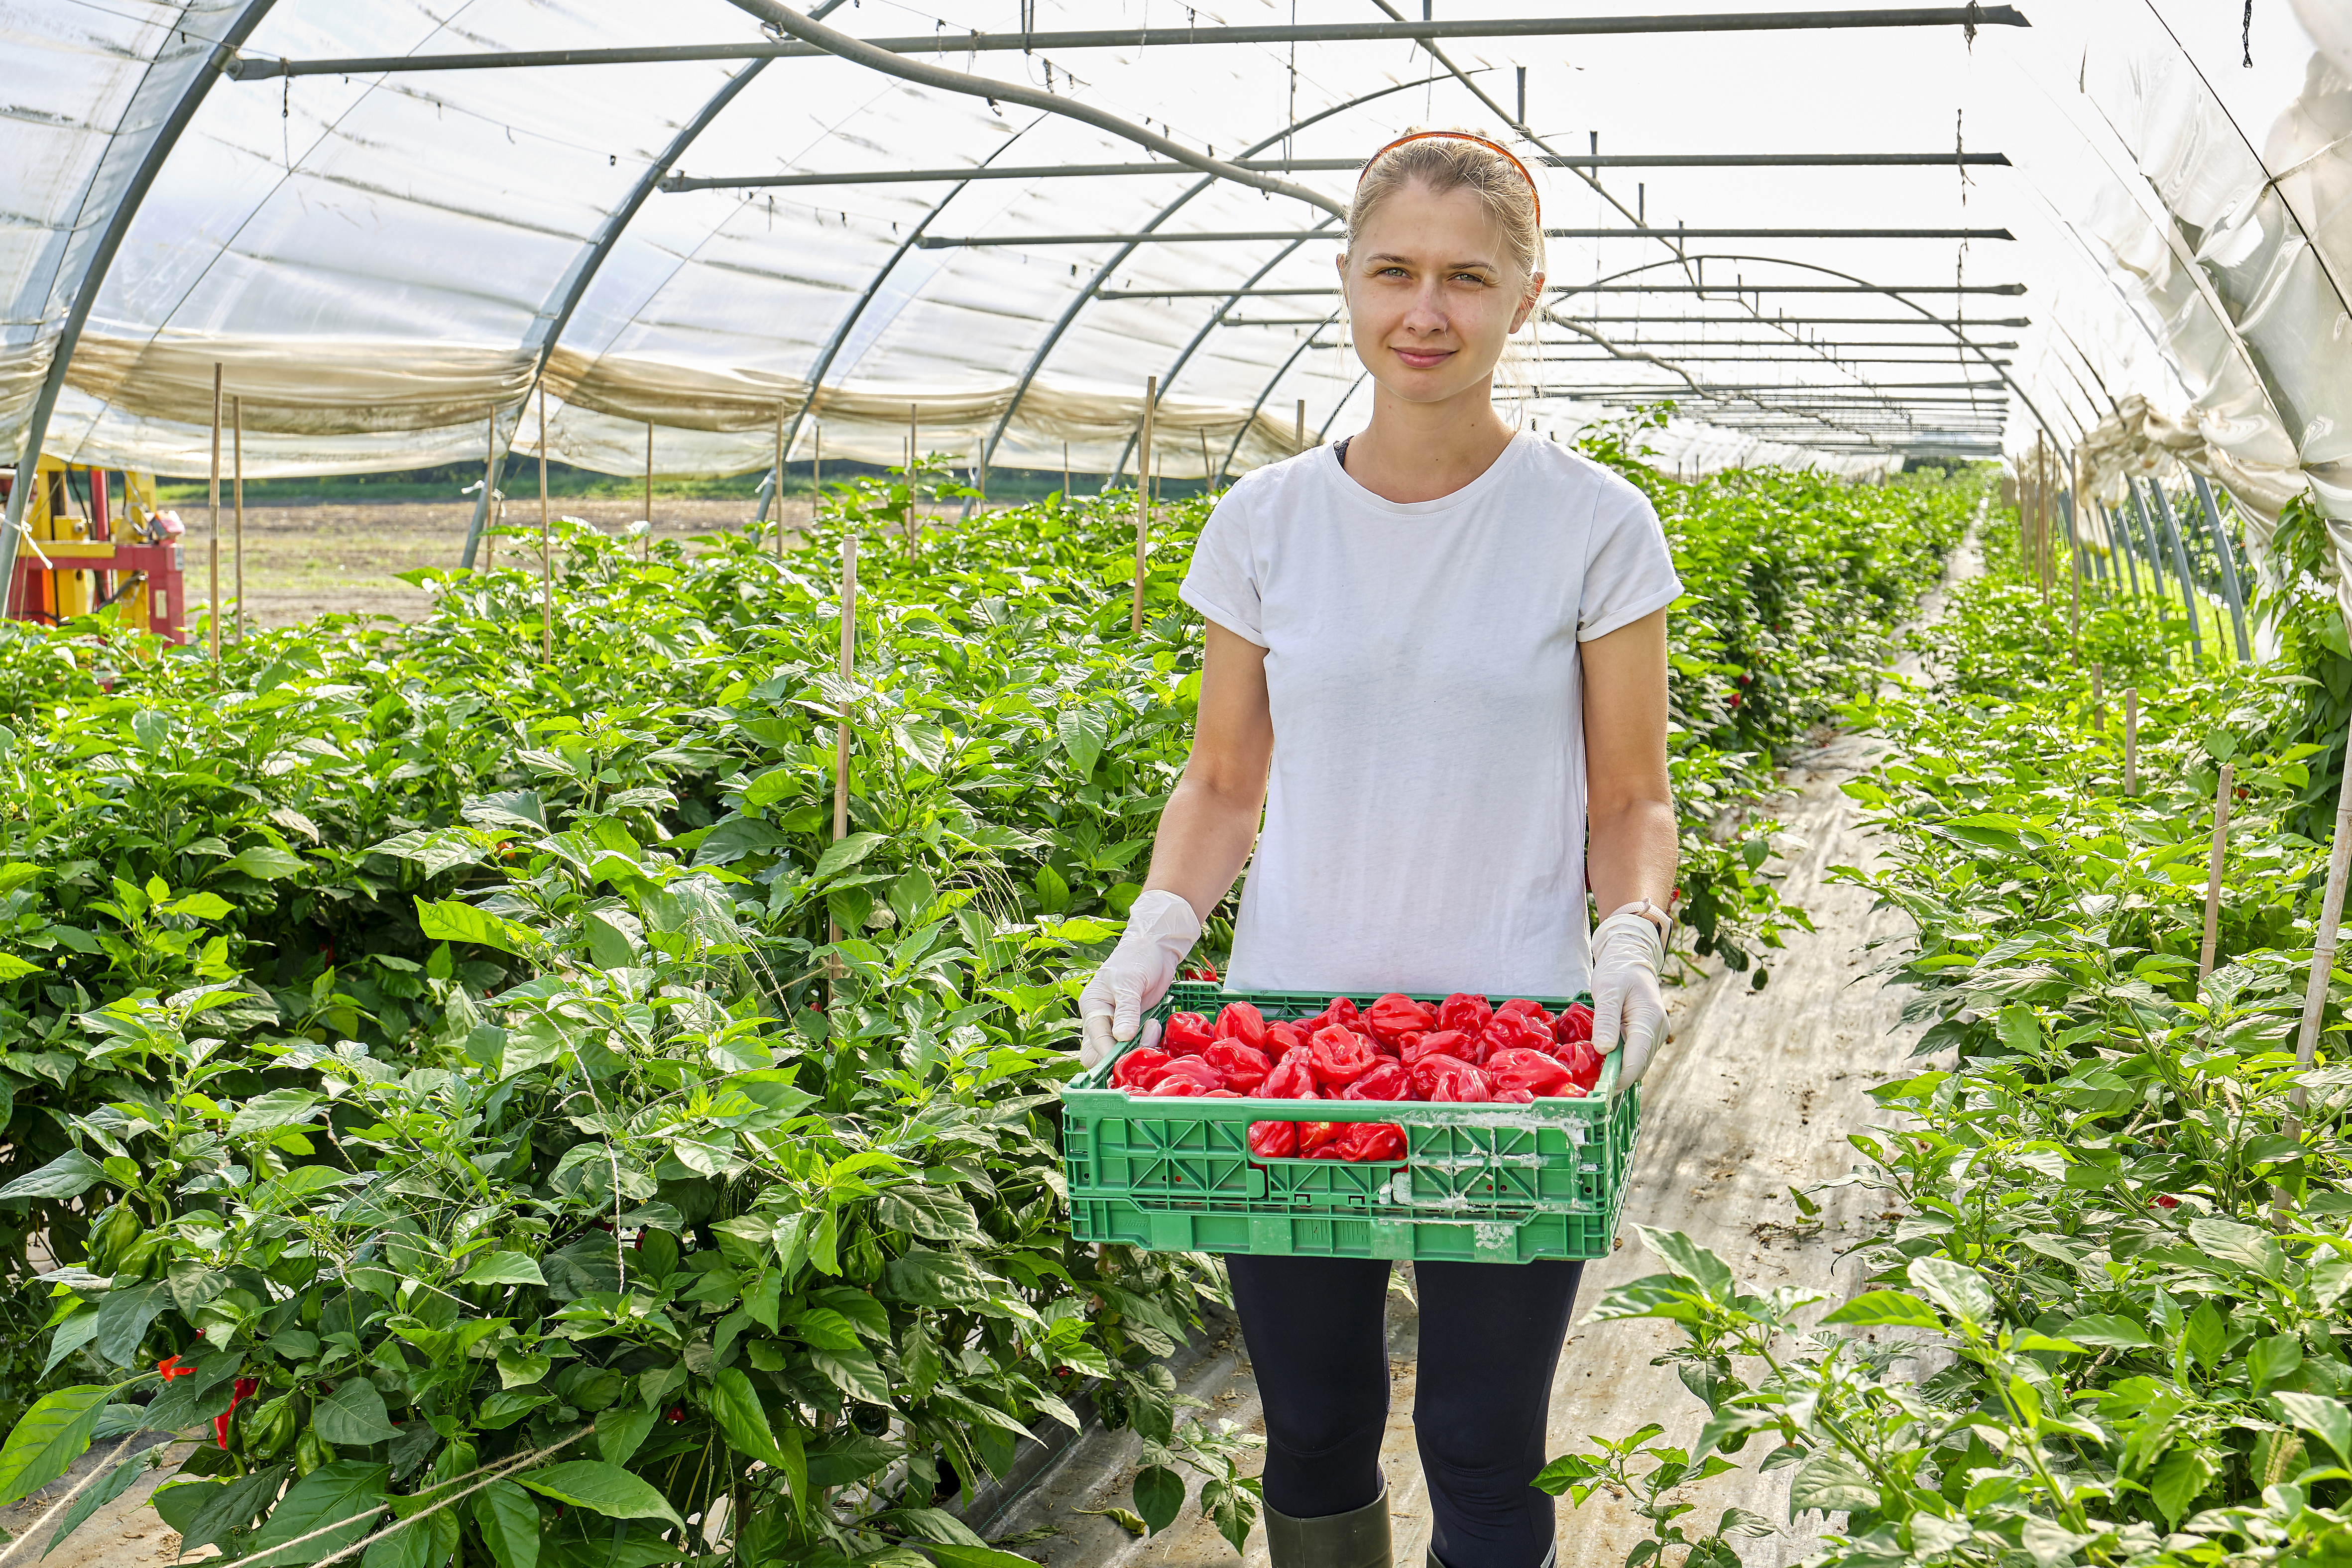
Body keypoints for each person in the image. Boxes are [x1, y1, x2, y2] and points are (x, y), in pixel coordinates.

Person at [1077, 129, 1681, 1568]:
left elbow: (1627, 796)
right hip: (1287, 1036)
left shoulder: (1591, 522)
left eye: (1467, 278)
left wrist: (1631, 936)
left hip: (1512, 1053)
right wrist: (1155, 929)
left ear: (1524, 298)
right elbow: (1225, 778)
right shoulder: (1266, 523)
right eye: (1393, 272)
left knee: (1479, 1439)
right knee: (1317, 1423)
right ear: (1343, 284)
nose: (1426, 311)